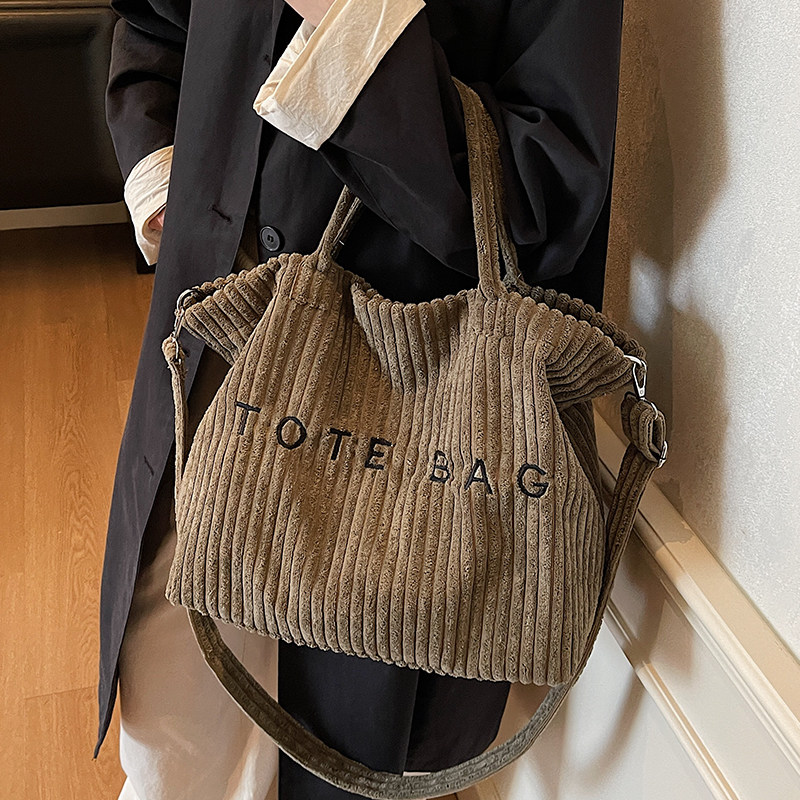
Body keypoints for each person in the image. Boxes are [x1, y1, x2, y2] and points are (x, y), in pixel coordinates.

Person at [100, 1, 625, 798]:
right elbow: (152, 21)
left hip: (413, 445)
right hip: (209, 360)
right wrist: (167, 173)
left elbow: (543, 190)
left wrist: (349, 25)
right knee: (171, 733)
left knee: (346, 747)